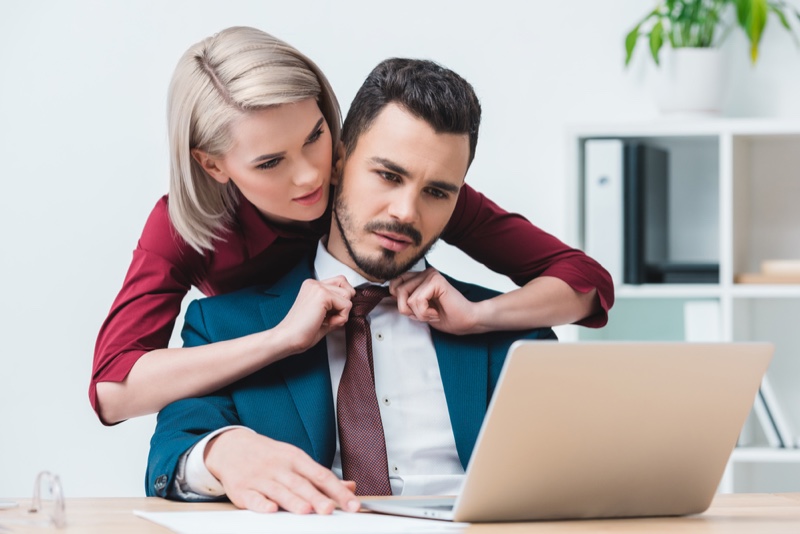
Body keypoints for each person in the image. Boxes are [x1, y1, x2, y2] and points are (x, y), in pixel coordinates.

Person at [92, 26, 613, 425]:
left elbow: (586, 283)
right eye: (270, 163)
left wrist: (477, 316)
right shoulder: (185, 227)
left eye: (316, 136)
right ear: (213, 166)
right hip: (270, 397)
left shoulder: (389, 183)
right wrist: (278, 339)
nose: (311, 174)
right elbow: (114, 393)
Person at [147, 57, 556, 514]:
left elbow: (578, 470)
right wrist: (224, 451)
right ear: (337, 164)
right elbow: (169, 456)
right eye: (388, 175)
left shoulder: (516, 334)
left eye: (437, 192)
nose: (406, 211)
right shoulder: (226, 324)